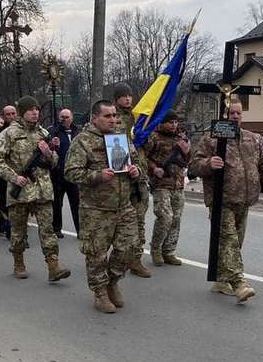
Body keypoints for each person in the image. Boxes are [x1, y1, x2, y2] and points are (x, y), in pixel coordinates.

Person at [189, 100, 263, 303]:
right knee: (229, 241)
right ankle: (239, 283)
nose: (235, 116)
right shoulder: (211, 139)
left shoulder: (252, 139)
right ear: (223, 115)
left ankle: (221, 280)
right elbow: (194, 166)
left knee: (235, 242)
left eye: (238, 113)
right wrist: (208, 164)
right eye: (231, 113)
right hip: (221, 200)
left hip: (244, 199)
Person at [65, 100, 141, 313]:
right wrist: (97, 176)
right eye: (107, 116)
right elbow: (70, 172)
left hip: (123, 206)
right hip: (95, 209)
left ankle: (112, 282)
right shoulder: (83, 142)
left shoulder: (121, 138)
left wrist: (136, 172)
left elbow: (135, 164)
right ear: (94, 118)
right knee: (96, 254)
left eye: (114, 115)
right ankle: (100, 293)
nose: (113, 120)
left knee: (129, 248)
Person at [0, 96, 70, 281]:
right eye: (30, 109)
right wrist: (14, 177)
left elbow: (54, 162)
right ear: (22, 113)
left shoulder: (44, 133)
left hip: (42, 189)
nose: (35, 112)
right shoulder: (9, 134)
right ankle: (18, 262)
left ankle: (53, 265)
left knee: (47, 229)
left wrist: (49, 152)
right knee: (18, 230)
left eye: (37, 109)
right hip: (21, 189)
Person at [114, 83, 152, 278]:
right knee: (119, 224)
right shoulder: (114, 119)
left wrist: (144, 135)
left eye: (130, 95)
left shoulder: (138, 118)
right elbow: (115, 147)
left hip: (140, 175)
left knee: (139, 220)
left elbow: (149, 145)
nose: (128, 99)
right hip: (122, 176)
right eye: (124, 96)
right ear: (117, 99)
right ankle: (117, 257)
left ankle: (136, 259)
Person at [145, 111, 190, 266]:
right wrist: (154, 168)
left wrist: (186, 152)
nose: (174, 125)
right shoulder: (153, 137)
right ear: (162, 123)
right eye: (170, 122)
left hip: (177, 184)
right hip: (161, 184)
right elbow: (143, 156)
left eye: (176, 122)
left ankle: (169, 251)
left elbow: (189, 160)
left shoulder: (181, 139)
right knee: (165, 217)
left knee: (176, 220)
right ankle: (156, 249)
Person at [47, 108, 80, 238]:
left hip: (73, 174)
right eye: (62, 117)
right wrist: (51, 144)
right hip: (58, 173)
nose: (64, 119)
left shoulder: (77, 132)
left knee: (76, 203)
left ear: (71, 118)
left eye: (67, 116)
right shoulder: (53, 131)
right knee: (57, 203)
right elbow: (45, 148)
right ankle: (57, 229)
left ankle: (80, 230)